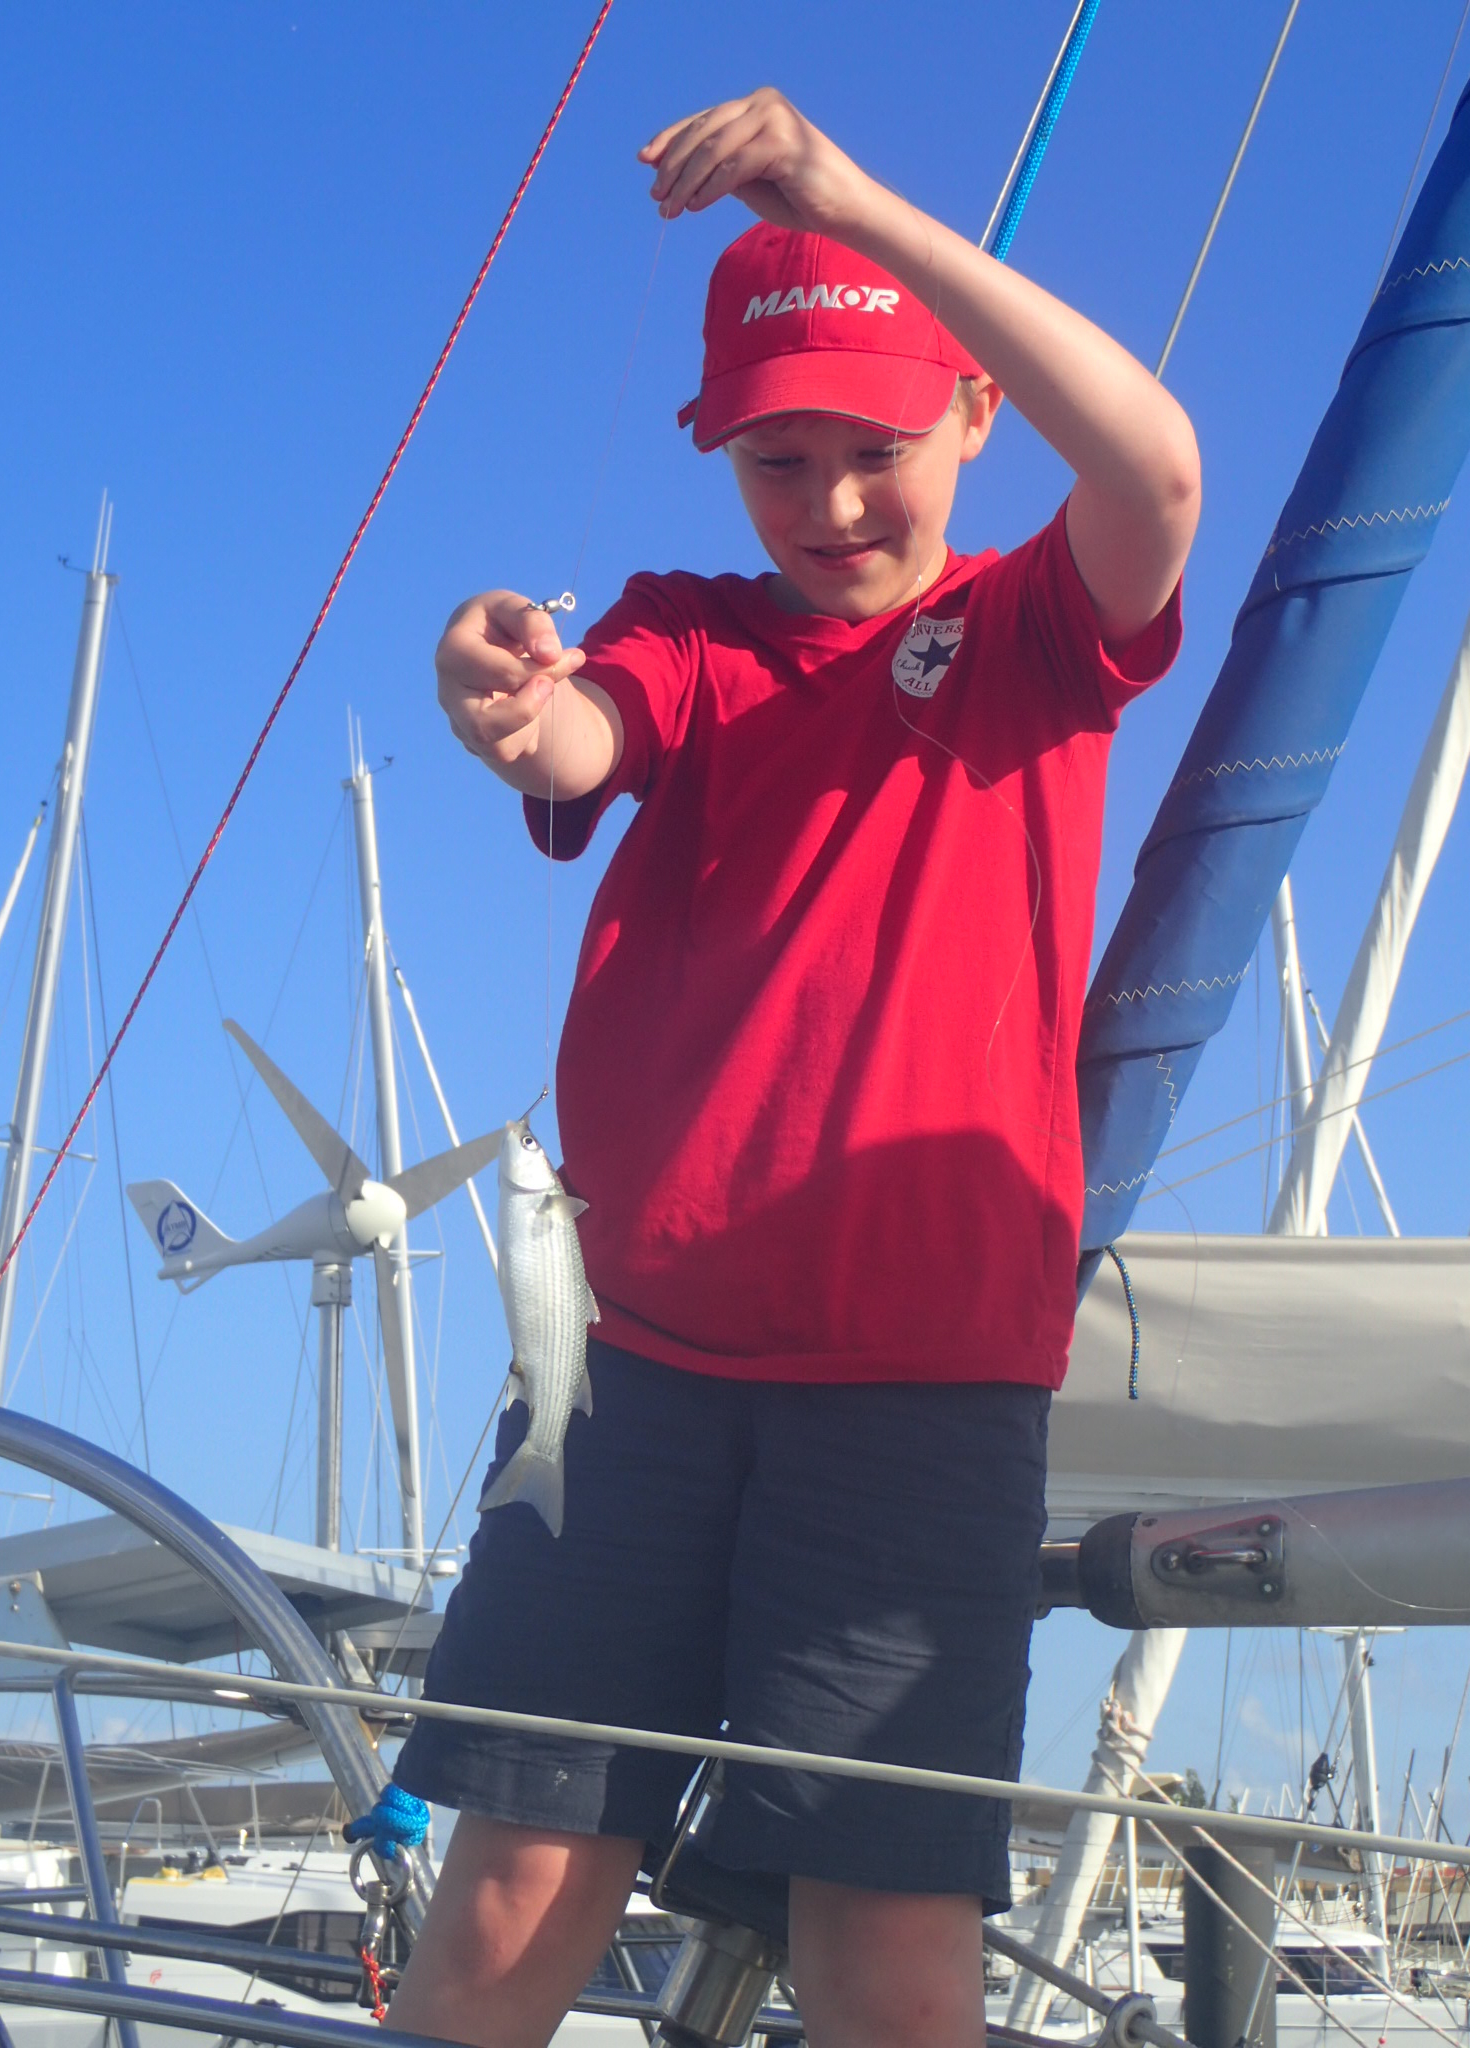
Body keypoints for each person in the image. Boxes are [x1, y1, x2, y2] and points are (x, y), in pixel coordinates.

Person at [386, 87, 1199, 2048]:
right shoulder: (691, 635)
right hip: (632, 1370)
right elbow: (580, 736)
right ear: (722, 456)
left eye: (875, 452)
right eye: (779, 461)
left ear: (975, 415)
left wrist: (848, 201)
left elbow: (1157, 469)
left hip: (920, 1389)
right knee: (506, 1893)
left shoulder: (1032, 632)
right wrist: (497, 696)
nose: (831, 506)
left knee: (888, 1946)